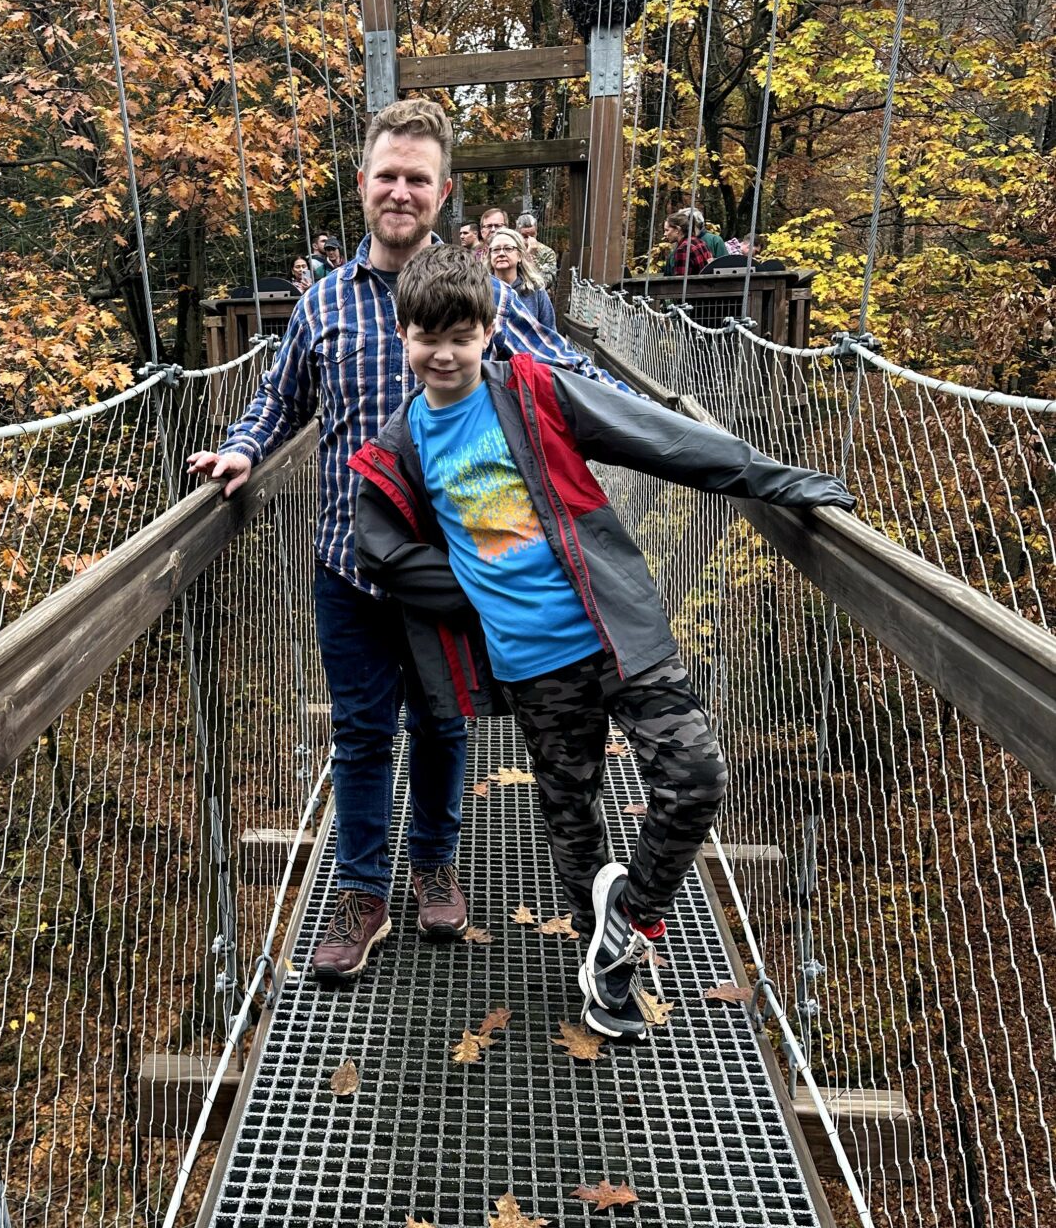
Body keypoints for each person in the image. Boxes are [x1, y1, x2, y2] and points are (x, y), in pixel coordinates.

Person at [350, 243, 854, 1040]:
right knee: (572, 822)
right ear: (402, 335)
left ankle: (635, 910)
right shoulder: (402, 441)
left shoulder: (536, 392)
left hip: (619, 628)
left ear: (490, 330)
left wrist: (770, 476)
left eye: (460, 334)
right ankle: (607, 978)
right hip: (530, 664)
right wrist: (465, 585)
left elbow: (656, 436)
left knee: (694, 776)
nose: (442, 353)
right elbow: (377, 545)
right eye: (425, 335)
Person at [186, 97, 614, 984]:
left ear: (443, 189)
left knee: (444, 725)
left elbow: (564, 372)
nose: (401, 191)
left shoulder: (476, 294)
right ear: (363, 184)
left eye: (418, 179)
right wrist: (241, 447)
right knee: (359, 732)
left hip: (453, 566)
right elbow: (281, 398)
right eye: (387, 175)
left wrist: (658, 430)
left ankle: (434, 865)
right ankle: (363, 893)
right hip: (346, 557)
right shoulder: (323, 305)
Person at [486, 227, 556, 331]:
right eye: (496, 249)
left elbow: (550, 332)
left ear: (519, 256)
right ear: (490, 256)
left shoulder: (536, 290)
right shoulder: (482, 290)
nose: (501, 253)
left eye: (508, 248)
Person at [516, 210, 562, 285]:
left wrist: (532, 257)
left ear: (536, 232)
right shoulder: (511, 250)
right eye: (524, 236)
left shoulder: (547, 252)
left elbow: (546, 283)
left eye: (532, 235)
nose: (529, 240)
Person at [661, 211, 711, 277]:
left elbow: (680, 282)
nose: (665, 234)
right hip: (707, 285)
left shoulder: (683, 249)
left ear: (677, 230)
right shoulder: (700, 242)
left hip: (694, 287)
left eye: (667, 230)